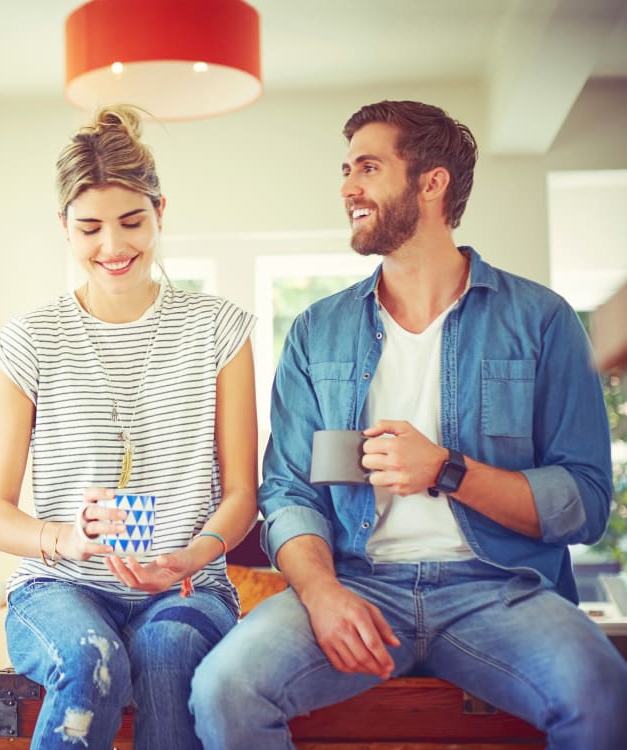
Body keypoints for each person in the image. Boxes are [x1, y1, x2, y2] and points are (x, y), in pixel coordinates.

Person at [191, 100, 627, 749]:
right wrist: (321, 593)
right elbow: (288, 494)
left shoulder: (542, 321)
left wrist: (447, 470)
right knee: (225, 688)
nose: (347, 187)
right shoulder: (317, 334)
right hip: (357, 584)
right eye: (345, 170)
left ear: (432, 183)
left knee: (603, 694)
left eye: (368, 167)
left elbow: (587, 504)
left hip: (500, 594)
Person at [0, 104, 258, 750]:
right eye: (90, 228)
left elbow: (243, 493)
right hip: (60, 588)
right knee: (89, 662)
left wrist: (191, 556)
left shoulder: (219, 330)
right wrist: (67, 540)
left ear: (162, 210)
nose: (113, 247)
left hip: (189, 587)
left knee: (166, 654)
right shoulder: (29, 340)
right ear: (63, 227)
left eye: (132, 221)